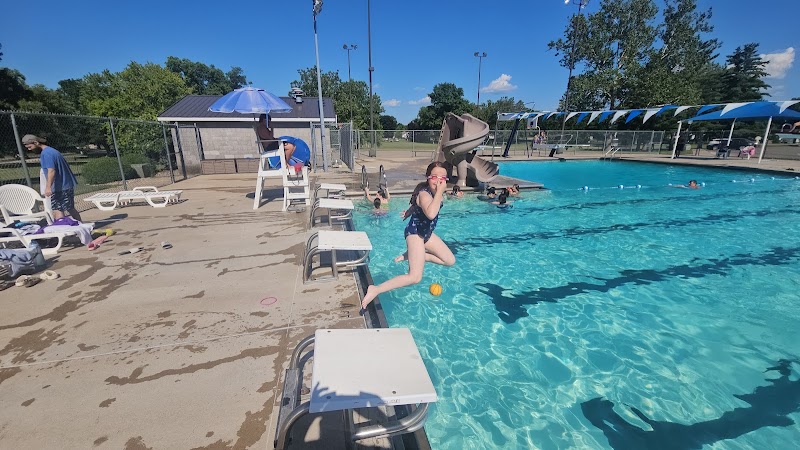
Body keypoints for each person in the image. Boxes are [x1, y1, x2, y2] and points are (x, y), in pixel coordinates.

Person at [361, 161, 455, 310]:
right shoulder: (425, 194)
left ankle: (414, 255)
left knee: (450, 260)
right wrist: (439, 193)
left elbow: (415, 205)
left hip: (426, 233)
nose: (438, 181)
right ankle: (376, 289)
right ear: (427, 178)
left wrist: (408, 212)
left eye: (442, 178)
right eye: (434, 177)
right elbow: (430, 213)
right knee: (415, 277)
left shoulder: (431, 192)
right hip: (415, 234)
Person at [21, 134, 82, 221]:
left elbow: (51, 171)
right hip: (66, 185)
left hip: (59, 187)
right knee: (70, 208)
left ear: (36, 142)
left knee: (57, 210)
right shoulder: (52, 151)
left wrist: (48, 187)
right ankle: (82, 226)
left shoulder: (46, 154)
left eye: (30, 147)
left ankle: (61, 231)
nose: (29, 149)